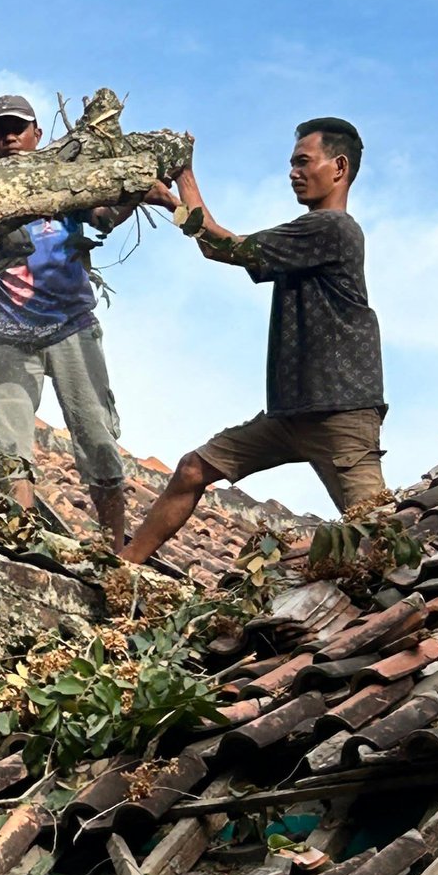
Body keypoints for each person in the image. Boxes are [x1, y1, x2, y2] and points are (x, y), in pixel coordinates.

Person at [121, 118, 386, 566]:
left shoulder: (331, 229)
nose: (293, 173)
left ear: (338, 167)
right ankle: (124, 565)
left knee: (383, 541)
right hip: (291, 416)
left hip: (341, 418)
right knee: (191, 469)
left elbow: (224, 247)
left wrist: (180, 183)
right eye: (292, 164)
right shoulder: (308, 234)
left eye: (304, 162)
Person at [0, 95, 175, 552]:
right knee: (8, 443)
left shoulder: (63, 185)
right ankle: (19, 539)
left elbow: (102, 217)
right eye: (0, 132)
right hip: (8, 334)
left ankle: (113, 550)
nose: (10, 139)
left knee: (96, 437)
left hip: (71, 328)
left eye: (18, 129)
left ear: (37, 136)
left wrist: (139, 192)